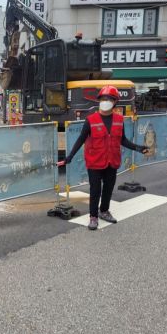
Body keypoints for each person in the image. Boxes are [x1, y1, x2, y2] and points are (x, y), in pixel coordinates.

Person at [58, 86, 149, 230]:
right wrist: (69, 157)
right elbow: (81, 139)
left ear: (115, 102)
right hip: (95, 162)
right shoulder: (90, 120)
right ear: (99, 100)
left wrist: (139, 148)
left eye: (109, 99)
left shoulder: (119, 120)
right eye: (103, 99)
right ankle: (93, 216)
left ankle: (104, 211)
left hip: (112, 161)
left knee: (108, 188)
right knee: (95, 190)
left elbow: (123, 140)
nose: (105, 101)